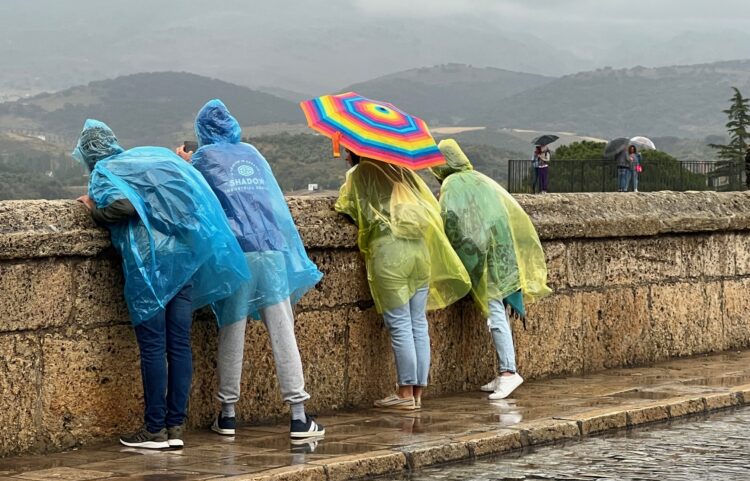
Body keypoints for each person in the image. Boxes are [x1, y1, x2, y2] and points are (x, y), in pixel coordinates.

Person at [73, 120, 249, 450]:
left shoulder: (104, 173)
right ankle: (175, 427)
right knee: (179, 344)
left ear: (88, 154)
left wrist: (94, 209)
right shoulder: (141, 163)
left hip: (149, 267)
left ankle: (155, 429)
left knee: (154, 346)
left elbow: (124, 206)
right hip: (181, 261)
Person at [177, 100, 325, 441]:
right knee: (282, 329)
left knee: (232, 329)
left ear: (203, 132)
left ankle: (227, 415)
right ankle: (299, 416)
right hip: (271, 249)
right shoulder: (254, 154)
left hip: (238, 255)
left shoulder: (202, 158)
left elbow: (196, 195)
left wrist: (186, 162)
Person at [335, 149, 470, 410]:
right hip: (419, 252)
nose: (345, 157)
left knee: (399, 325)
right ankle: (417, 391)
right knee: (418, 322)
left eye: (347, 151)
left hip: (390, 253)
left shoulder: (360, 173)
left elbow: (347, 207)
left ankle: (404, 392)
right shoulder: (403, 171)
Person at [432, 139, 552, 399]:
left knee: (495, 312)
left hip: (487, 256)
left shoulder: (453, 184)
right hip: (503, 253)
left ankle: (509, 373)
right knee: (500, 312)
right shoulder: (478, 178)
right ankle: (503, 372)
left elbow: (451, 220)